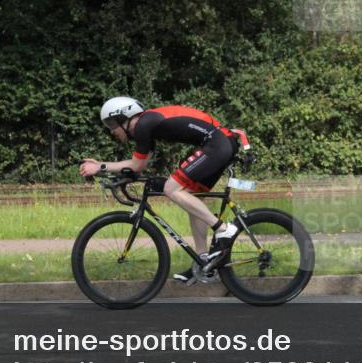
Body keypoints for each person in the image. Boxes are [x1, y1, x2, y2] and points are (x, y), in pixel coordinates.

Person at [78, 96, 250, 284]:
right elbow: (140, 165)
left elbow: (136, 165)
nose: (112, 131)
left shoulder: (143, 125)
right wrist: (104, 167)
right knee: (192, 198)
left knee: (171, 188)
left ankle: (223, 230)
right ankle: (203, 261)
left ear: (123, 118)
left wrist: (100, 166)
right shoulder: (147, 127)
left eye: (112, 124)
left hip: (217, 144)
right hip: (219, 142)